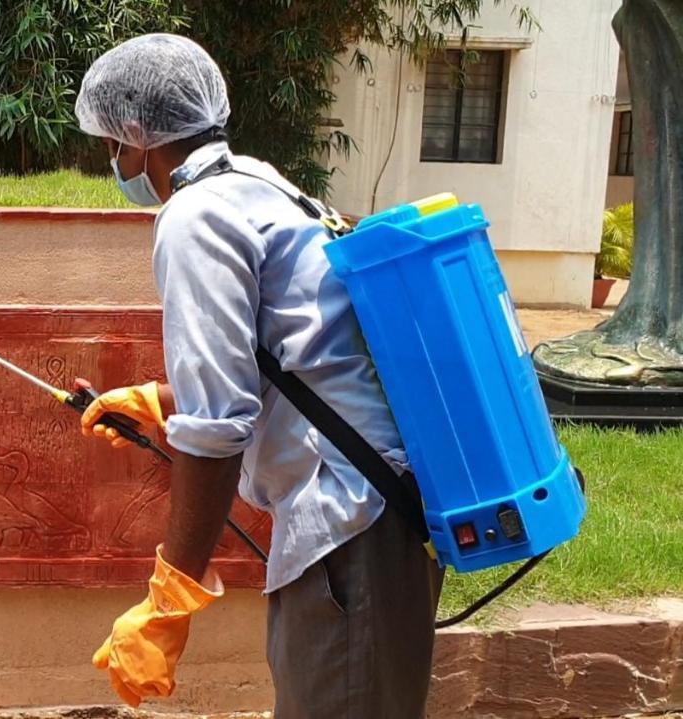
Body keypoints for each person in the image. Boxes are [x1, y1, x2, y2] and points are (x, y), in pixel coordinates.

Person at [75, 34, 442, 718]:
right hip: (378, 512)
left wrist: (169, 600)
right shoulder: (259, 181)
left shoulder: (194, 217)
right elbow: (296, 351)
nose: (113, 160)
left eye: (109, 143)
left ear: (134, 134)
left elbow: (218, 431)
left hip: (349, 527)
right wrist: (160, 401)